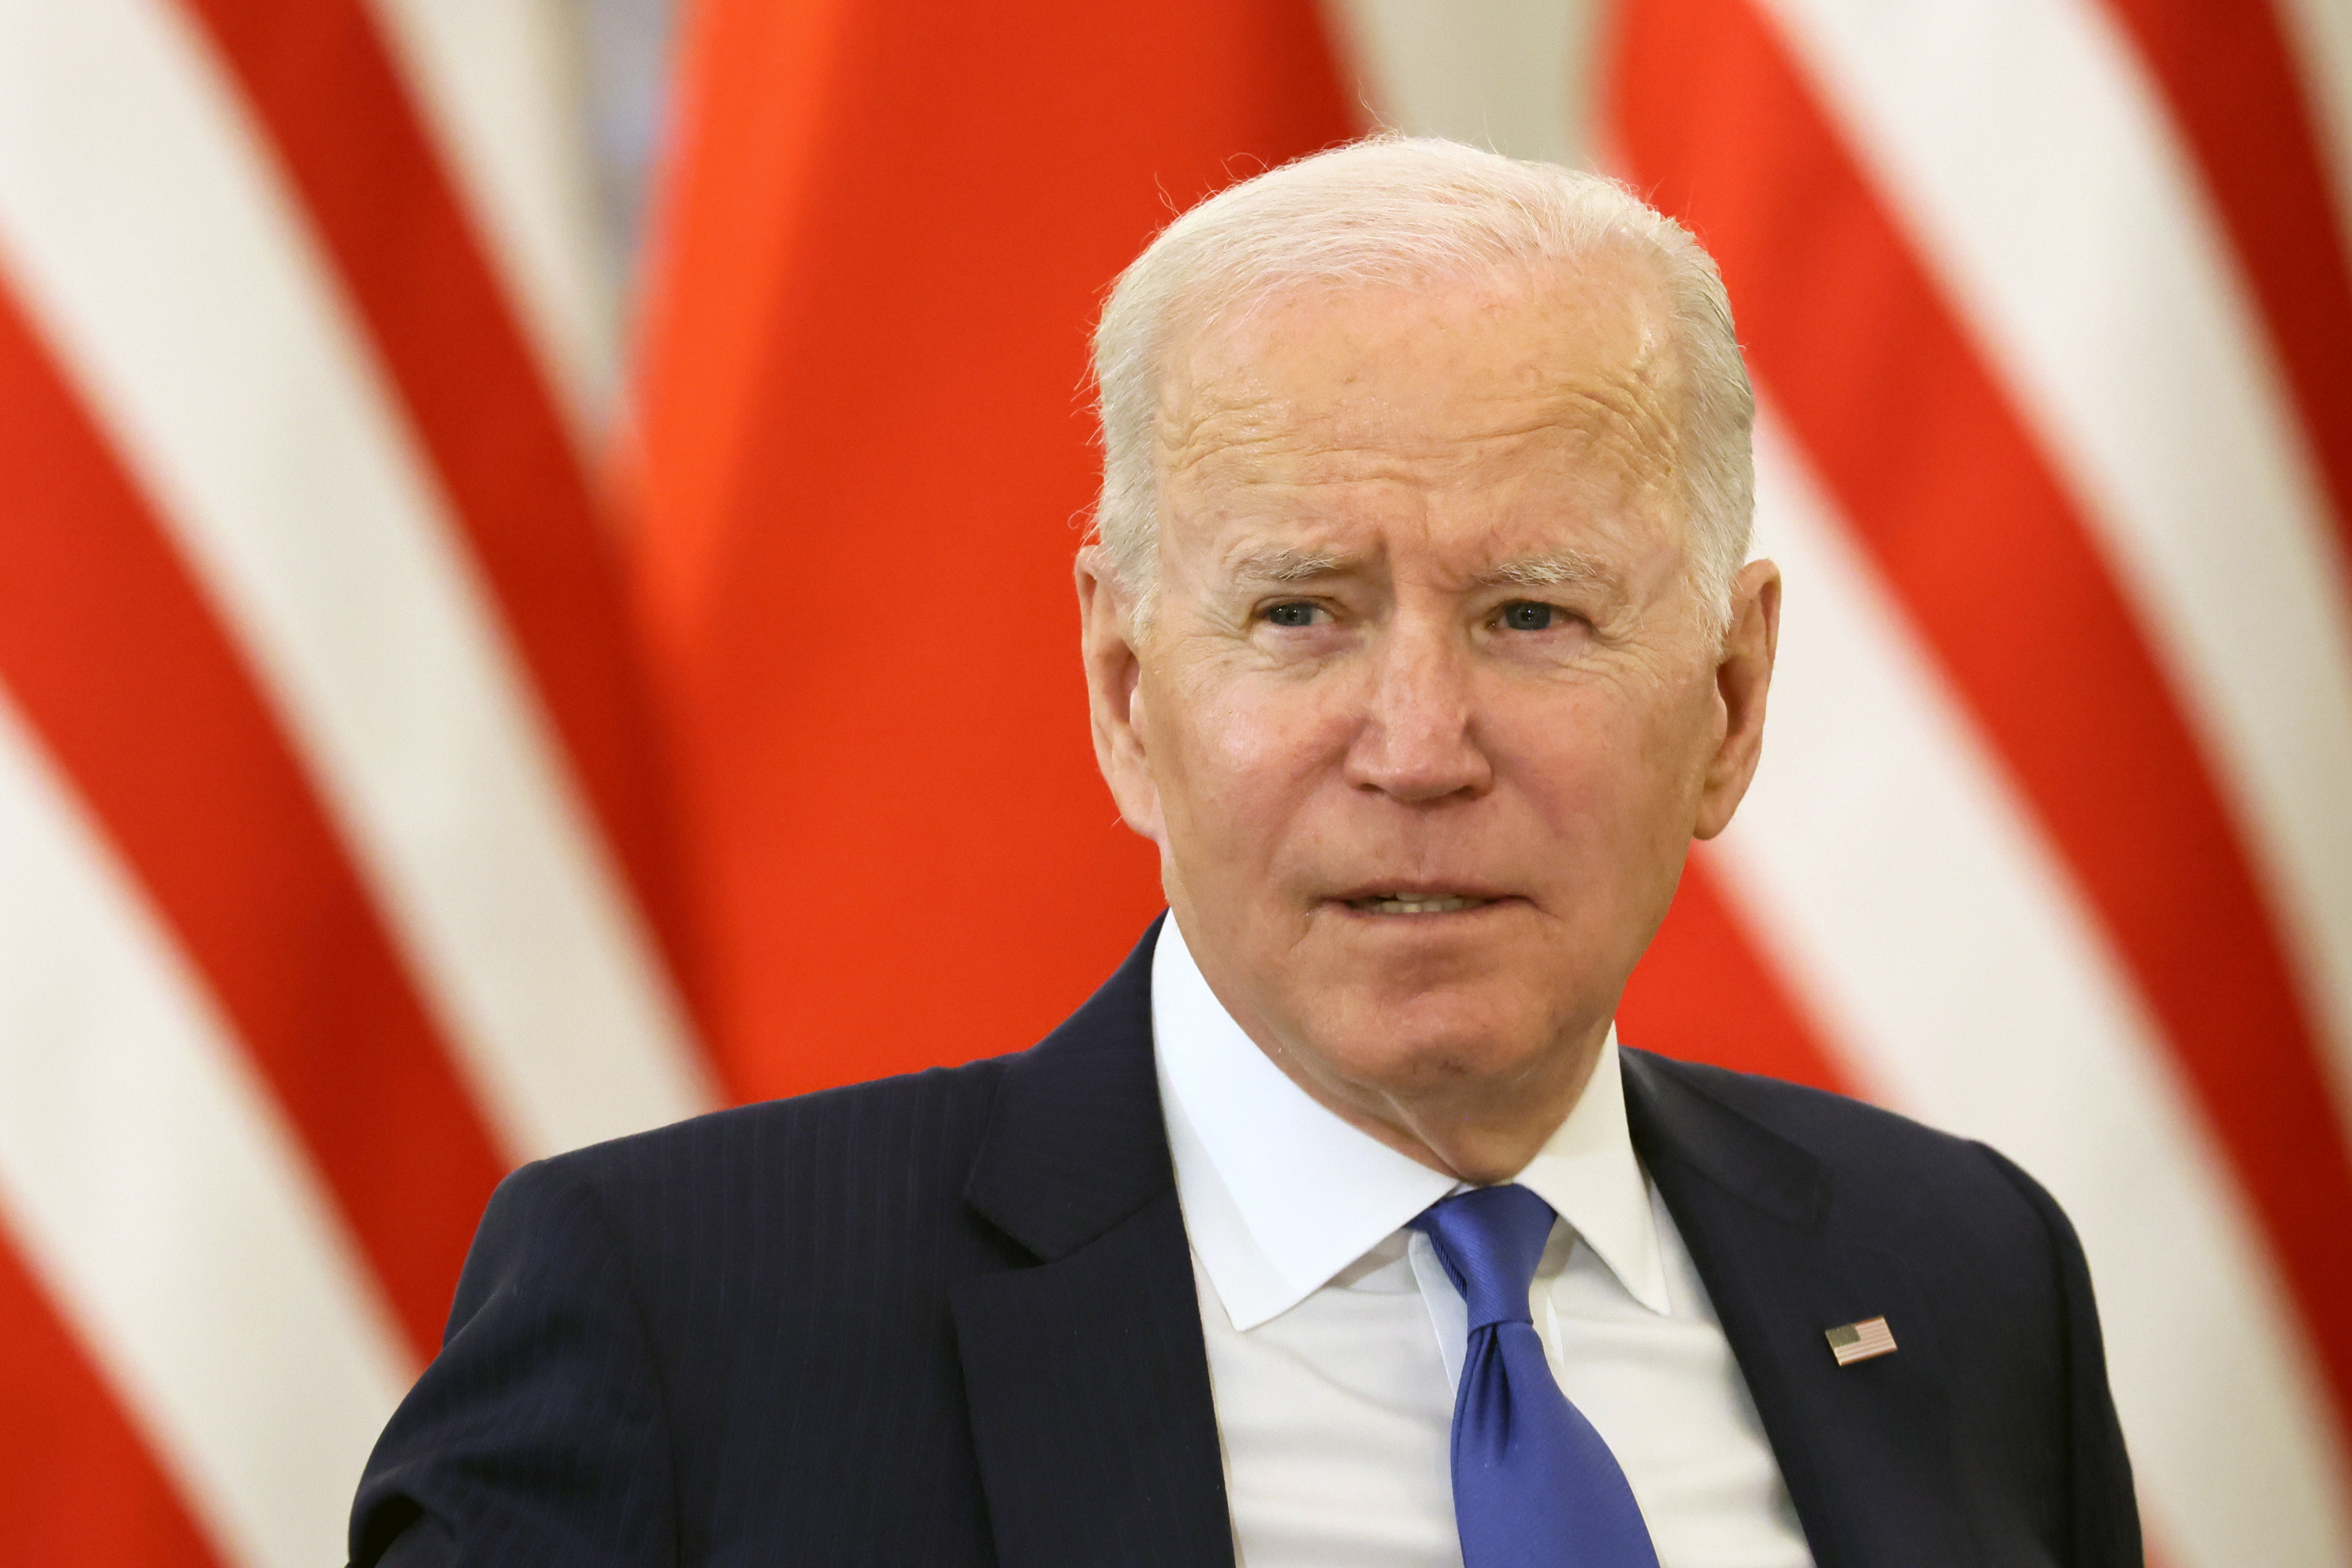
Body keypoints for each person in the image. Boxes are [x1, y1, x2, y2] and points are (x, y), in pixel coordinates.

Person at [347, 137, 2138, 1568]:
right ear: (1128, 694)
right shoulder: (691, 1324)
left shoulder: (1969, 1280)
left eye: (1531, 612)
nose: (1420, 743)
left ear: (1732, 700)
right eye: (1300, 612)